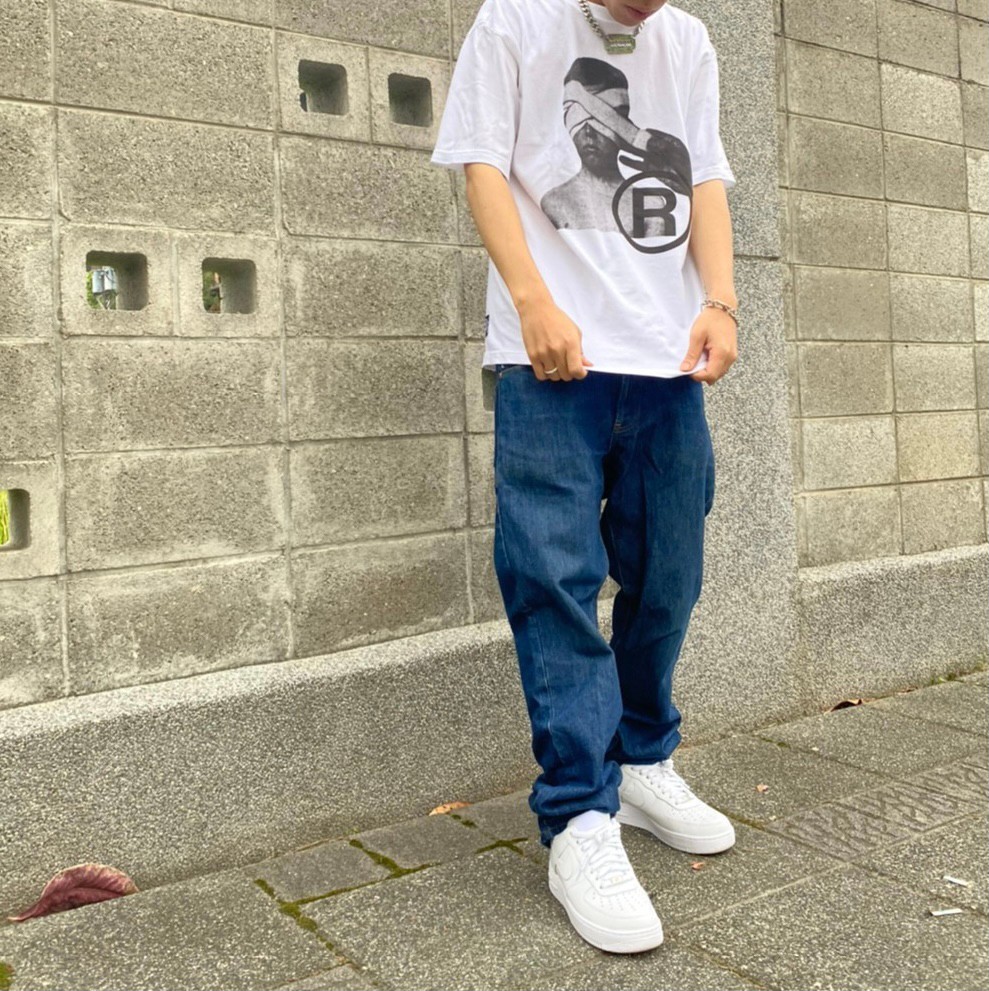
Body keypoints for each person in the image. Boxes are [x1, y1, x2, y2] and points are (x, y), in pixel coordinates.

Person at [431, 0, 739, 954]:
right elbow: (481, 163)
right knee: (553, 581)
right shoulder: (514, 19)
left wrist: (721, 300)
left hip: (666, 360)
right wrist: (531, 300)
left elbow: (706, 175)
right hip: (550, 360)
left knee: (669, 573)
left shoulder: (685, 39)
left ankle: (641, 757)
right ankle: (577, 814)